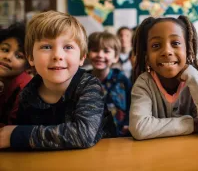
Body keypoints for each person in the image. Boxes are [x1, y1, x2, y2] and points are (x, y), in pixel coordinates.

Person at [0, 11, 116, 150]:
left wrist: (15, 135)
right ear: (31, 57)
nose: (57, 55)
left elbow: (84, 134)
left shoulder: (89, 85)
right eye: (47, 47)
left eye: (68, 47)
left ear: (81, 58)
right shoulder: (28, 93)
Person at [129, 16, 198, 140]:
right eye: (156, 45)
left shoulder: (196, 81)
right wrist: (194, 124)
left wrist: (193, 76)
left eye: (176, 43)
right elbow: (139, 128)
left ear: (189, 51)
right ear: (146, 56)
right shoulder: (144, 83)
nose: (167, 51)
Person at [87, 31, 131, 136]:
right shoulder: (82, 80)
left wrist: (128, 123)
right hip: (91, 135)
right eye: (95, 50)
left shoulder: (122, 79)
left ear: (116, 57)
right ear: (88, 53)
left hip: (120, 135)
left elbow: (132, 103)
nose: (100, 55)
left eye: (106, 51)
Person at [0, 23, 32, 127]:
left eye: (19, 56)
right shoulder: (4, 83)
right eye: (5, 50)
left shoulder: (25, 90)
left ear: (28, 65)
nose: (8, 57)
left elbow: (12, 131)